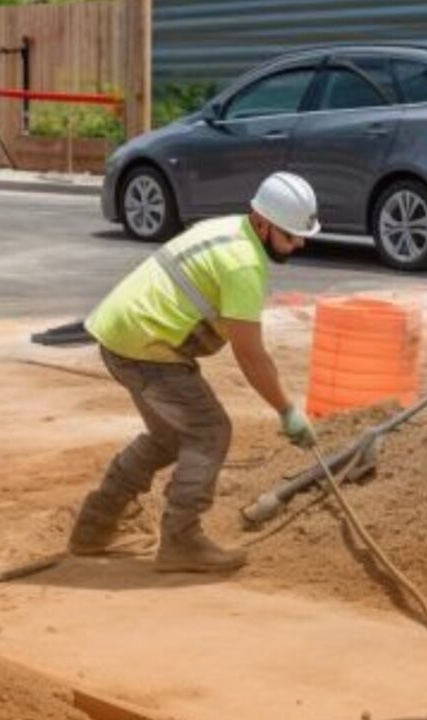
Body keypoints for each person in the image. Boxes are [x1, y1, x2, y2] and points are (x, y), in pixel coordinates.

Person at [69, 172, 321, 573]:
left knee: (168, 437)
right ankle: (182, 540)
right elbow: (250, 352)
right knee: (209, 430)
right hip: (145, 348)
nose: (299, 243)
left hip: (122, 337)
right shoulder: (242, 263)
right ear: (262, 223)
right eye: (291, 235)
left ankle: (93, 528)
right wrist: (287, 410)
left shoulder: (226, 227)